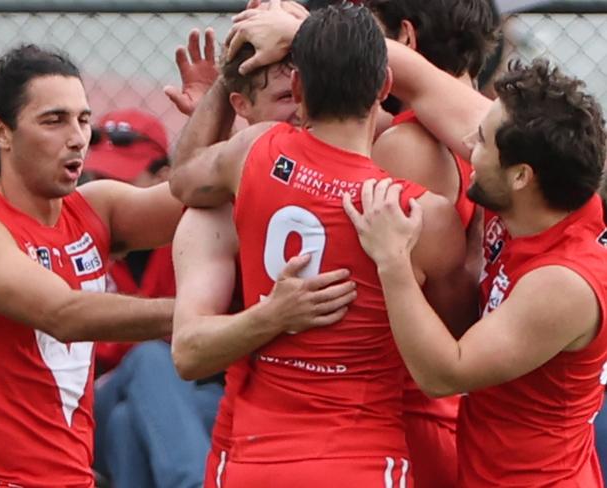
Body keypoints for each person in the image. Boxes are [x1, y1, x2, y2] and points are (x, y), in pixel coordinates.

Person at [170, 5, 476, 486]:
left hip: (253, 458)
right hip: (360, 458)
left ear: (297, 90)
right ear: (382, 87)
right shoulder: (421, 212)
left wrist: (231, 73)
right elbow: (455, 336)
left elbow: (183, 179)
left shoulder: (254, 150)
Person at [343, 49, 607, 486]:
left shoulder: (564, 282)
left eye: (482, 141)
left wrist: (393, 262)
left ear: (522, 176)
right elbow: (425, 84)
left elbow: (445, 373)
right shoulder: (534, 200)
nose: (468, 143)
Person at [0, 44, 183, 487]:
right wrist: (210, 313)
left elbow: (203, 196)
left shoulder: (94, 208)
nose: (77, 136)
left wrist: (217, 105)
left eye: (83, 119)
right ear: (1, 133)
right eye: (53, 120)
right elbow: (64, 314)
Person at [167, 23, 354, 487]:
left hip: (367, 439)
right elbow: (188, 352)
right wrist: (271, 315)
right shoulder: (215, 211)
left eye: (306, 93)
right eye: (284, 98)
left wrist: (304, 28)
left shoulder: (374, 173)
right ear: (241, 108)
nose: (302, 112)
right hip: (256, 445)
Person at [365, 1, 496, 485]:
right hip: (443, 411)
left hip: (403, 417)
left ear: (404, 38)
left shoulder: (407, 146)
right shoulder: (485, 147)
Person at [82, 107, 221, 488]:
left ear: (164, 179)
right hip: (98, 400)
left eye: (121, 181)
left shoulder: (197, 235)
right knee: (148, 358)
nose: (105, 193)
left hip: (176, 400)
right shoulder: (82, 239)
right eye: (96, 178)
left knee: (132, 423)